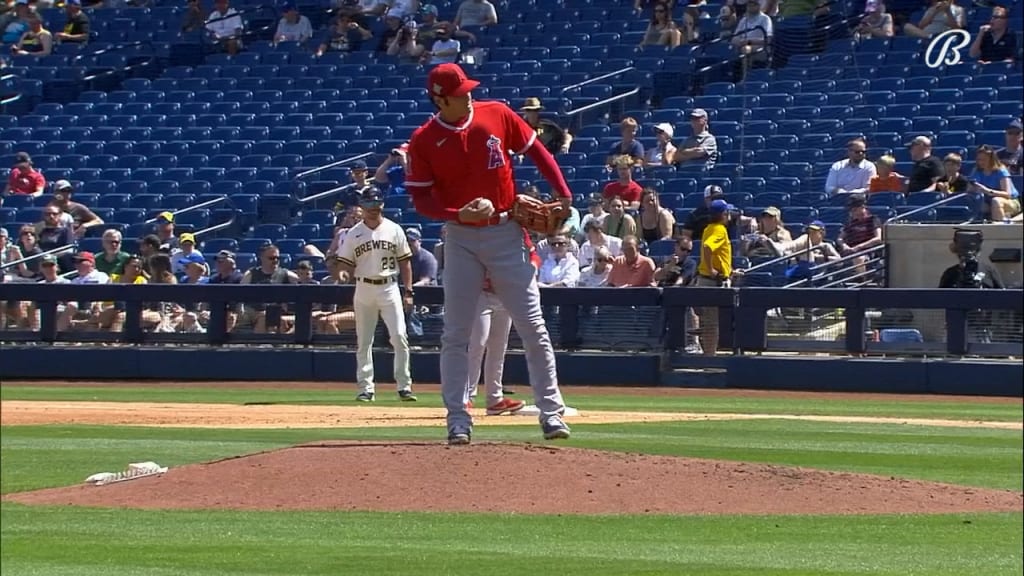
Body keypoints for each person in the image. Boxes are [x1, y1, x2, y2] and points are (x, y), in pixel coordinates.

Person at [405, 62, 571, 445]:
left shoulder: (496, 113)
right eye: (461, 92)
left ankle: (551, 413)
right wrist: (455, 214)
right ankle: (457, 418)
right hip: (461, 237)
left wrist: (562, 193)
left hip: (506, 230)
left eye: (468, 89)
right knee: (457, 333)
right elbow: (420, 198)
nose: (469, 95)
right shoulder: (424, 140)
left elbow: (539, 152)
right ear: (440, 98)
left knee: (533, 326)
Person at [336, 187, 417, 403]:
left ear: (382, 204)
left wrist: (408, 290)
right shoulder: (354, 233)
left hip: (389, 286)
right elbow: (344, 262)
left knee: (399, 336)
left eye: (377, 203)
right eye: (369, 204)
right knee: (364, 340)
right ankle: (366, 388)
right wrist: (343, 272)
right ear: (361, 206)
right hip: (363, 286)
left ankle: (404, 386)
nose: (373, 208)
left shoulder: (394, 229)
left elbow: (405, 262)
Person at [692, 199, 734, 356]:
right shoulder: (719, 229)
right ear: (723, 214)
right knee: (711, 323)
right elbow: (708, 247)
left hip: (707, 279)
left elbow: (717, 254)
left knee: (709, 322)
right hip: (711, 281)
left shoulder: (709, 228)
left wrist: (730, 270)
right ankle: (709, 358)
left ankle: (708, 354)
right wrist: (711, 269)